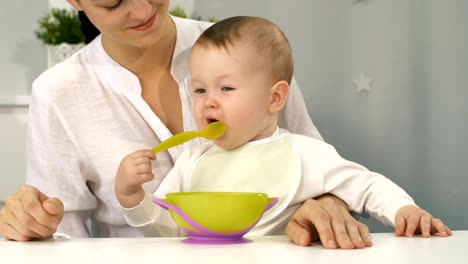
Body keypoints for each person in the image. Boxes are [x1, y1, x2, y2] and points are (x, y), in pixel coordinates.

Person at [0, 0, 370, 249]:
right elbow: (63, 235)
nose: (143, 8)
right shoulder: (59, 93)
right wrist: (35, 226)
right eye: (112, 1)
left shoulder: (242, 49)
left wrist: (329, 202)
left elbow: (314, 161)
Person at [115, 16, 452, 245]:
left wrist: (403, 211)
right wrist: (132, 198)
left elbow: (367, 187)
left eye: (226, 89)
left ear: (274, 98)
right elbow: (165, 226)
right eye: (200, 90)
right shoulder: (192, 161)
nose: (208, 103)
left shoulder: (307, 154)